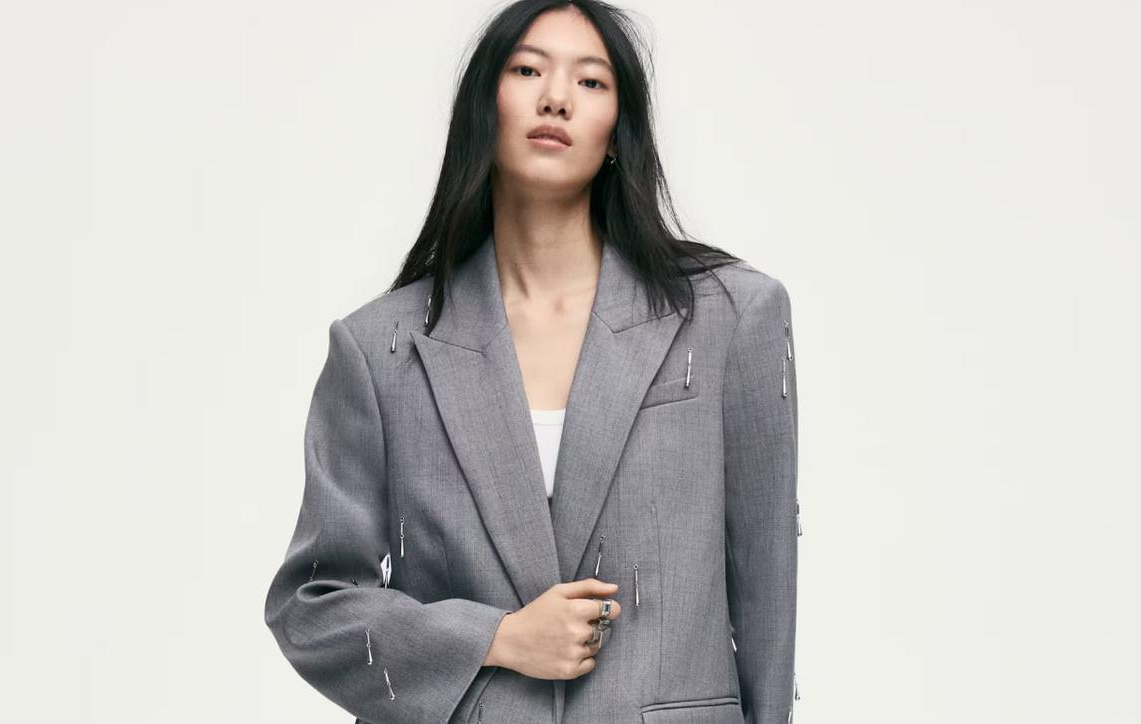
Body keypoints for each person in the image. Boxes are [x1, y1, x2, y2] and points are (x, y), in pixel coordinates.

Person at [263, 2, 800, 722]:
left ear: (618, 130)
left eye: (591, 81)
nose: (556, 97)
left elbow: (767, 592)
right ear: (484, 106)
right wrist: (496, 638)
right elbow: (311, 607)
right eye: (527, 71)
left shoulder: (730, 318)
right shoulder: (380, 349)